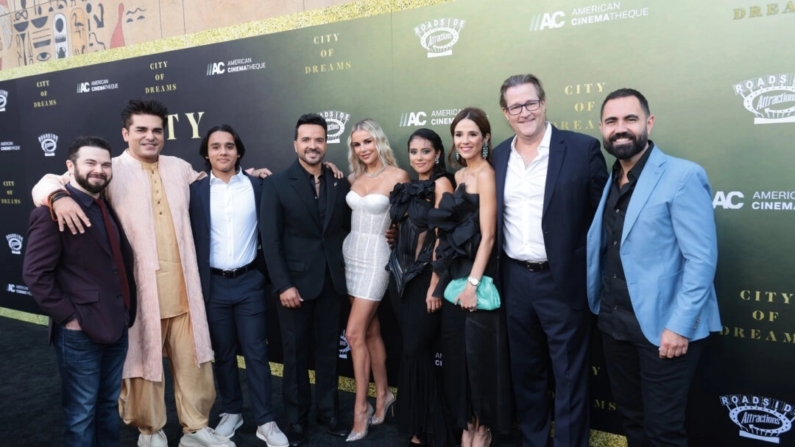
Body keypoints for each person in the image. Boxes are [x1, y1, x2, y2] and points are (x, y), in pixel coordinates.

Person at [30, 98, 260, 447]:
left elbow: (215, 181)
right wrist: (56, 197)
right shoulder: (109, 169)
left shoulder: (180, 167)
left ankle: (196, 428)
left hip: (186, 288)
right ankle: (150, 431)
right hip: (138, 294)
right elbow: (48, 182)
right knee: (142, 364)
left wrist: (252, 175)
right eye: (141, 130)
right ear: (126, 133)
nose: (150, 137)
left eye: (156, 130)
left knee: (194, 363)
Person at [587, 88, 721, 446]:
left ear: (648, 122)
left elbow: (702, 259)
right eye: (612, 121)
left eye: (630, 119)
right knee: (632, 423)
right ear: (601, 127)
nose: (621, 129)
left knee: (664, 433)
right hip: (615, 327)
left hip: (665, 330)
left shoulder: (682, 175)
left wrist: (679, 326)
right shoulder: (611, 180)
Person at [493, 74, 608, 447]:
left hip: (563, 281)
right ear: (505, 113)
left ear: (543, 103)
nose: (524, 112)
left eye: (530, 103)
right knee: (526, 373)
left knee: (571, 375)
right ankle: (534, 441)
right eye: (515, 107)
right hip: (514, 280)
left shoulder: (581, 149)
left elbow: (602, 221)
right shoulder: (497, 157)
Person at [23, 136, 137, 447]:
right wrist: (70, 318)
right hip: (79, 333)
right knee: (80, 415)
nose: (99, 170)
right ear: (70, 167)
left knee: (107, 407)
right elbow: (35, 275)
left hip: (116, 325)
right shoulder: (50, 212)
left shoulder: (106, 206)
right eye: (91, 163)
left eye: (105, 164)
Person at [188, 125, 288, 447]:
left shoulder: (259, 185)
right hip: (213, 285)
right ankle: (232, 411)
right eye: (215, 147)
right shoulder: (196, 190)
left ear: (239, 151)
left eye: (229, 146)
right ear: (207, 153)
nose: (223, 152)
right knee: (224, 353)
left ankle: (265, 420)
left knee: (257, 353)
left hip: (249, 282)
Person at [260, 113, 351, 447]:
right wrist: (283, 284)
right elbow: (270, 240)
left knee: (328, 353)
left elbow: (343, 229)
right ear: (295, 144)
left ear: (326, 144)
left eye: (319, 140)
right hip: (294, 287)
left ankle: (328, 414)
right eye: (307, 140)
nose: (313, 146)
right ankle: (296, 421)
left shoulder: (339, 182)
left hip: (330, 282)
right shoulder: (277, 183)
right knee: (295, 356)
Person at [430, 108, 513, 447]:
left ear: (485, 138)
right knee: (459, 360)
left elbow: (489, 236)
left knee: (479, 360)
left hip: (479, 278)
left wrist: (473, 286)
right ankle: (467, 423)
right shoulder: (460, 175)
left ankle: (482, 427)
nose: (465, 141)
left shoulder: (487, 174)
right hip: (455, 278)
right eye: (459, 134)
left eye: (472, 134)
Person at [341, 118, 410, 442]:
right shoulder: (352, 177)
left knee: (353, 332)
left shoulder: (398, 177)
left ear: (379, 141)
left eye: (368, 141)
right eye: (357, 144)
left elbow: (410, 222)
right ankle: (384, 395)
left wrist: (397, 232)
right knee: (369, 331)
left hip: (377, 259)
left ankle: (361, 409)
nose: (363, 148)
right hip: (351, 254)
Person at [387, 128, 455, 447]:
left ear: (438, 154)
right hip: (398, 279)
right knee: (414, 353)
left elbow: (442, 235)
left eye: (425, 151)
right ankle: (419, 425)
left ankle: (434, 428)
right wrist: (394, 234)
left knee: (415, 349)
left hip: (424, 279)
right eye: (413, 152)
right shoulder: (405, 188)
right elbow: (402, 229)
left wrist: (435, 286)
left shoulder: (442, 184)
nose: (419, 158)